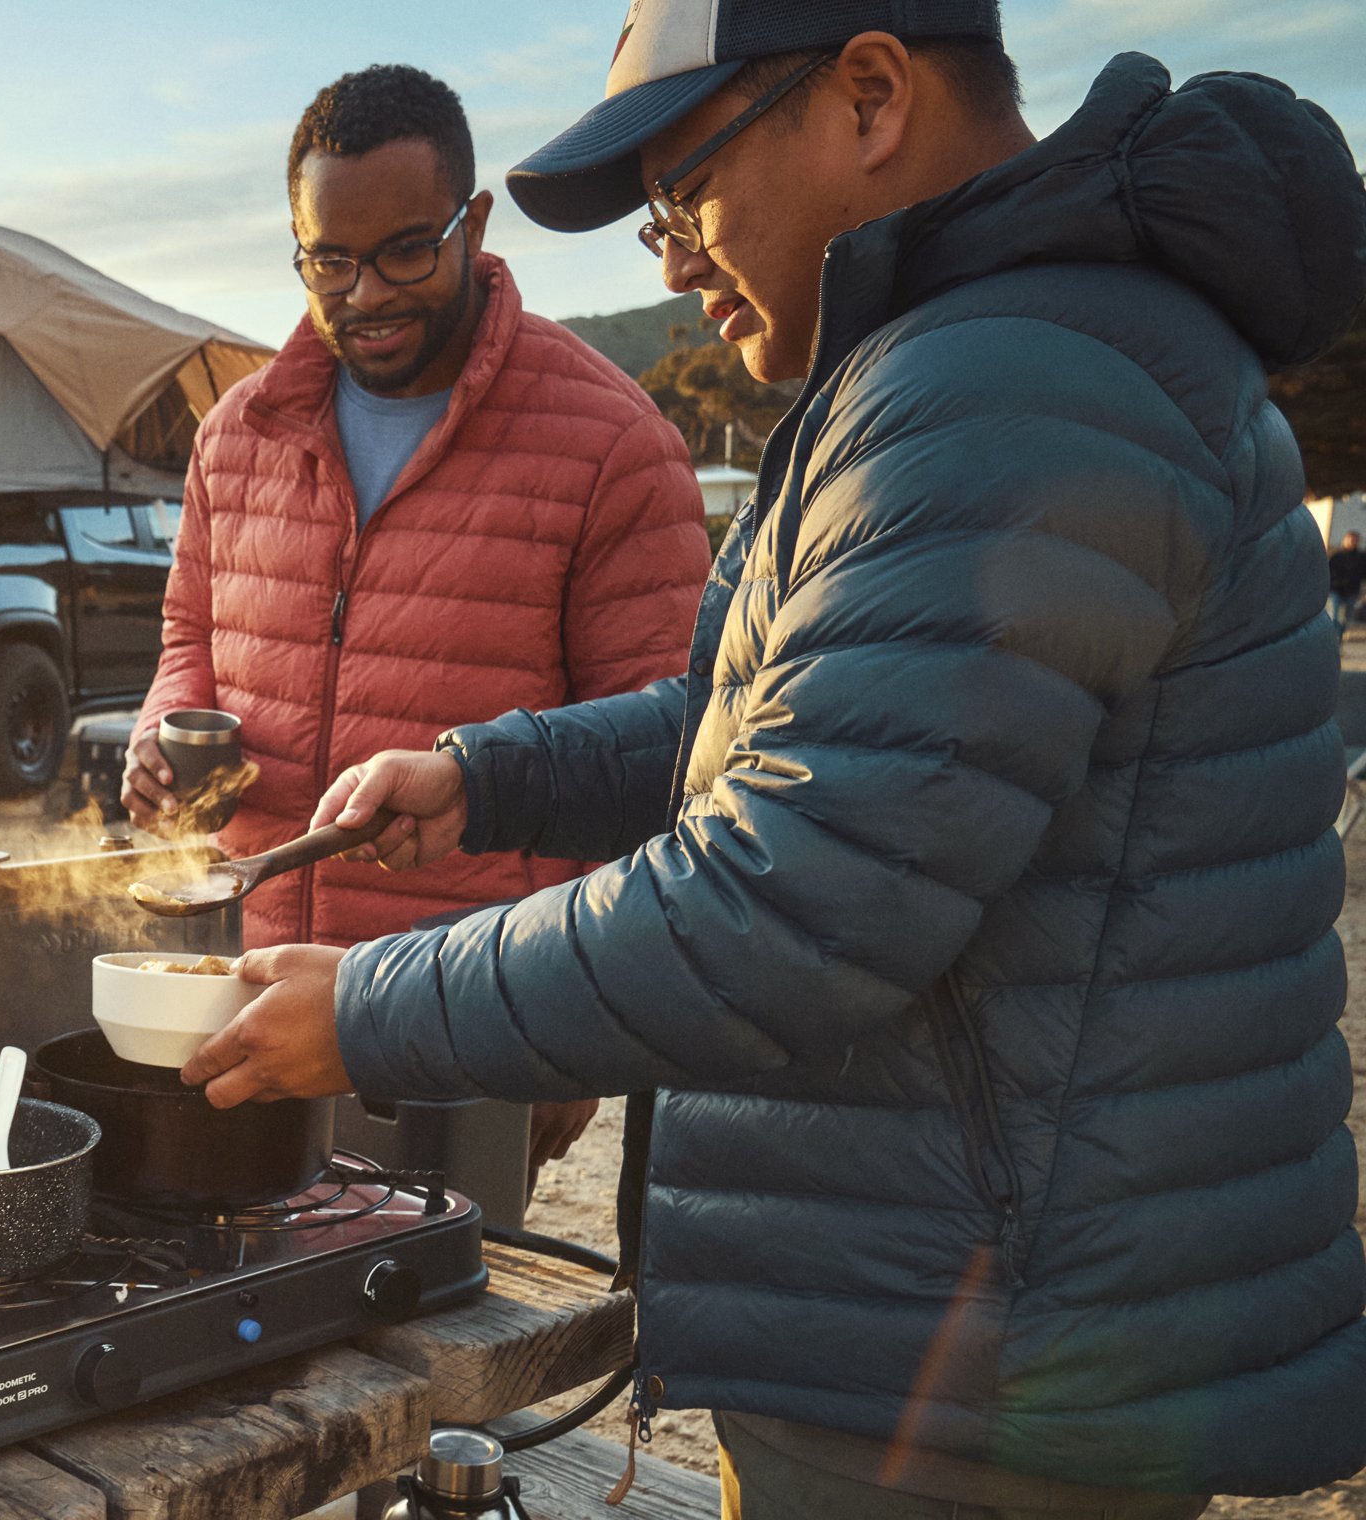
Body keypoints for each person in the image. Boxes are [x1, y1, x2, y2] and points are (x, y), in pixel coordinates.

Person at [181, 0, 1366, 1512]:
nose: (670, 255)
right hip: (939, 1313)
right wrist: (492, 773)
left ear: (870, 94)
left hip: (971, 1373)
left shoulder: (1007, 387)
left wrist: (372, 1007)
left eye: (686, 190)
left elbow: (793, 901)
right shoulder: (953, 364)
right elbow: (798, 736)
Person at [120, 63, 710, 1181]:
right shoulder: (237, 432)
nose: (366, 293)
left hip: (462, 1028)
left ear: (472, 222)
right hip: (242, 1007)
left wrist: (566, 1035)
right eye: (328, 261)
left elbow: (665, 750)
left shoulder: (610, 441)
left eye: (403, 250)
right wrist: (167, 727)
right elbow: (187, 635)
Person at [1329, 530, 1365, 631]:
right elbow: (1329, 570)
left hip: (1351, 591)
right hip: (1335, 589)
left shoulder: (1361, 557)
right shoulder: (1337, 556)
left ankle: (1339, 638)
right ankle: (1334, 638)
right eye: (1350, 540)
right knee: (1334, 615)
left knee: (1346, 619)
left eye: (1355, 540)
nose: (1352, 542)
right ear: (1344, 540)